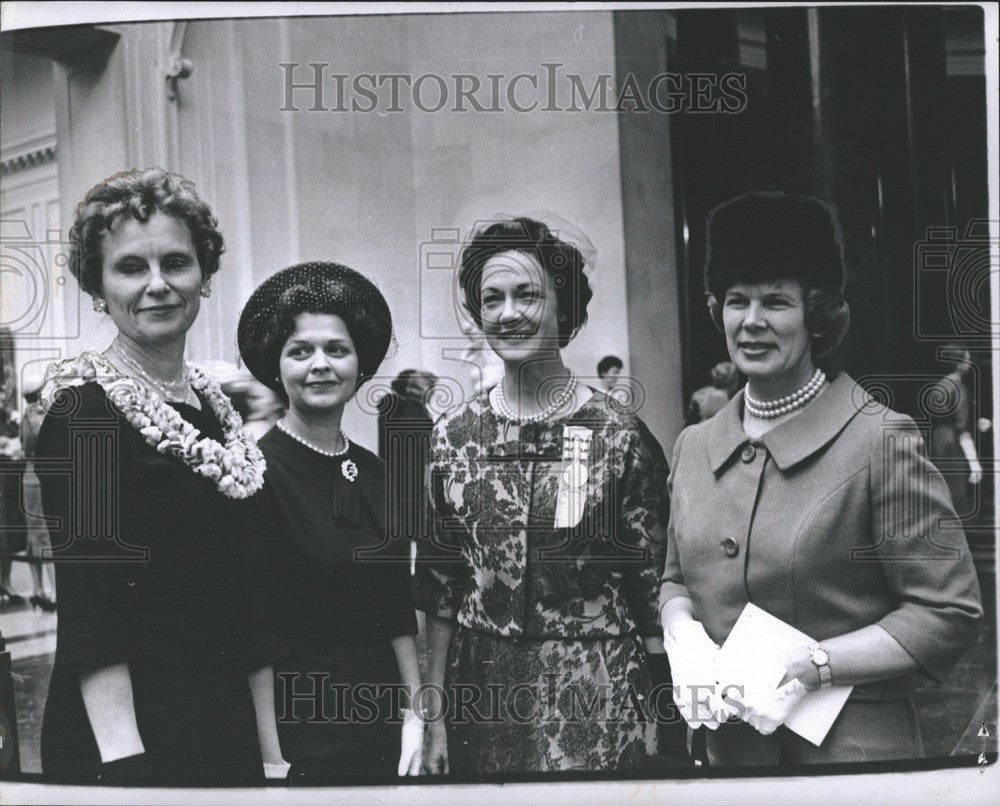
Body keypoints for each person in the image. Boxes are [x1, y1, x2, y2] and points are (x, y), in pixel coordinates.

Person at [659, 191, 983, 766]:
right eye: (738, 301)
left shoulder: (880, 440)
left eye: (776, 302)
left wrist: (814, 668)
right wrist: (681, 632)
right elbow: (677, 579)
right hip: (730, 758)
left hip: (852, 757)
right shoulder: (694, 445)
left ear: (816, 314)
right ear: (718, 311)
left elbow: (946, 613)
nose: (753, 322)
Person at [35, 168, 275, 785]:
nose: (158, 285)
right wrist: (127, 768)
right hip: (128, 735)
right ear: (98, 286)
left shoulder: (213, 406)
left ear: (204, 275)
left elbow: (243, 597)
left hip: (219, 715)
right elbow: (92, 612)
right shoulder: (83, 413)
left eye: (176, 262)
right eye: (131, 268)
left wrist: (271, 752)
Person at [415, 216, 680, 774]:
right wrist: (432, 716)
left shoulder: (616, 433)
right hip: (481, 694)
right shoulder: (453, 434)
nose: (509, 313)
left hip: (597, 693)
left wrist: (669, 717)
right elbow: (440, 588)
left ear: (564, 305)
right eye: (492, 299)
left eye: (527, 295)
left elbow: (653, 589)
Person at [237, 262, 424, 782]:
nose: (320, 365)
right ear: (278, 367)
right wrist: (272, 761)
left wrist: (416, 714)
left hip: (384, 720)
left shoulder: (374, 469)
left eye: (336, 350)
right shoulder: (257, 473)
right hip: (306, 732)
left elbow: (396, 604)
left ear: (358, 365)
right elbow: (257, 633)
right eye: (301, 351)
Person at [378, 370, 437, 549]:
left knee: (401, 537)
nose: (432, 394)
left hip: (395, 483)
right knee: (419, 537)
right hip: (415, 485)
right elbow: (426, 450)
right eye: (430, 390)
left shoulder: (394, 410)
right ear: (418, 389)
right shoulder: (415, 411)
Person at [927, 344, 983, 516]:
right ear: (959, 363)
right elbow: (961, 428)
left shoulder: (940, 386)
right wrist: (974, 463)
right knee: (957, 502)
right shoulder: (959, 387)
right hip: (952, 449)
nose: (970, 362)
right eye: (967, 359)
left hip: (937, 444)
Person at [20, 369, 57, 611]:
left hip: (31, 476)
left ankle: (40, 589)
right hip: (43, 475)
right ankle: (49, 591)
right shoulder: (40, 414)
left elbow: (25, 446)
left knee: (36, 535)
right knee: (43, 535)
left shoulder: (28, 415)